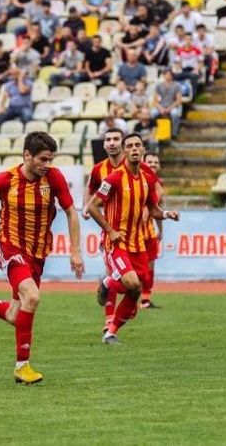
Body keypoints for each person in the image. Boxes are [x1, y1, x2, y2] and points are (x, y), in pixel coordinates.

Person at [0, 132, 85, 384]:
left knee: (16, 314)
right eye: (43, 159)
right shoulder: (4, 179)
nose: (47, 165)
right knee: (32, 297)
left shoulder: (54, 177)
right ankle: (22, 366)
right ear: (27, 155)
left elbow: (71, 212)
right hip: (10, 248)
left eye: (50, 160)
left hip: (38, 254)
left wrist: (75, 251)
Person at [86, 134, 177, 344]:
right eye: (130, 146)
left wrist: (166, 214)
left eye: (138, 145)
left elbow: (153, 209)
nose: (134, 149)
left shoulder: (146, 180)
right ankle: (109, 285)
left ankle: (111, 332)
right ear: (124, 151)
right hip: (117, 243)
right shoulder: (114, 178)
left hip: (138, 245)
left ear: (143, 149)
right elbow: (92, 206)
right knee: (131, 282)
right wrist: (109, 230)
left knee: (135, 289)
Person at [139, 152, 164, 309]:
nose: (153, 164)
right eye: (150, 161)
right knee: (134, 269)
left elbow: (158, 210)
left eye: (156, 162)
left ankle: (145, 300)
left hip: (149, 231)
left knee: (150, 266)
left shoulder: (159, 184)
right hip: (132, 232)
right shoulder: (137, 179)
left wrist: (160, 230)